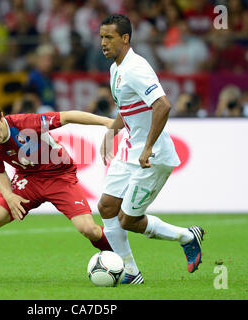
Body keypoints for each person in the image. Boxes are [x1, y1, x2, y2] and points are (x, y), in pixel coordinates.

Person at [0, 97, 114, 282]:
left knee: (89, 229)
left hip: (59, 177)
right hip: (28, 181)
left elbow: (67, 116)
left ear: (2, 117)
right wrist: (9, 196)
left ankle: (119, 259)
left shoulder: (26, 124)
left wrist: (106, 122)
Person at [97, 14, 205, 284]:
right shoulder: (116, 69)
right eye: (101, 37)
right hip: (130, 149)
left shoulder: (136, 67)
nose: (103, 43)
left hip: (152, 156)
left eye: (108, 37)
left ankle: (188, 237)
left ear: (125, 38)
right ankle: (130, 272)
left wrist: (147, 148)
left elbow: (163, 105)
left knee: (128, 220)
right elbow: (129, 108)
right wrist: (112, 130)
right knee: (107, 207)